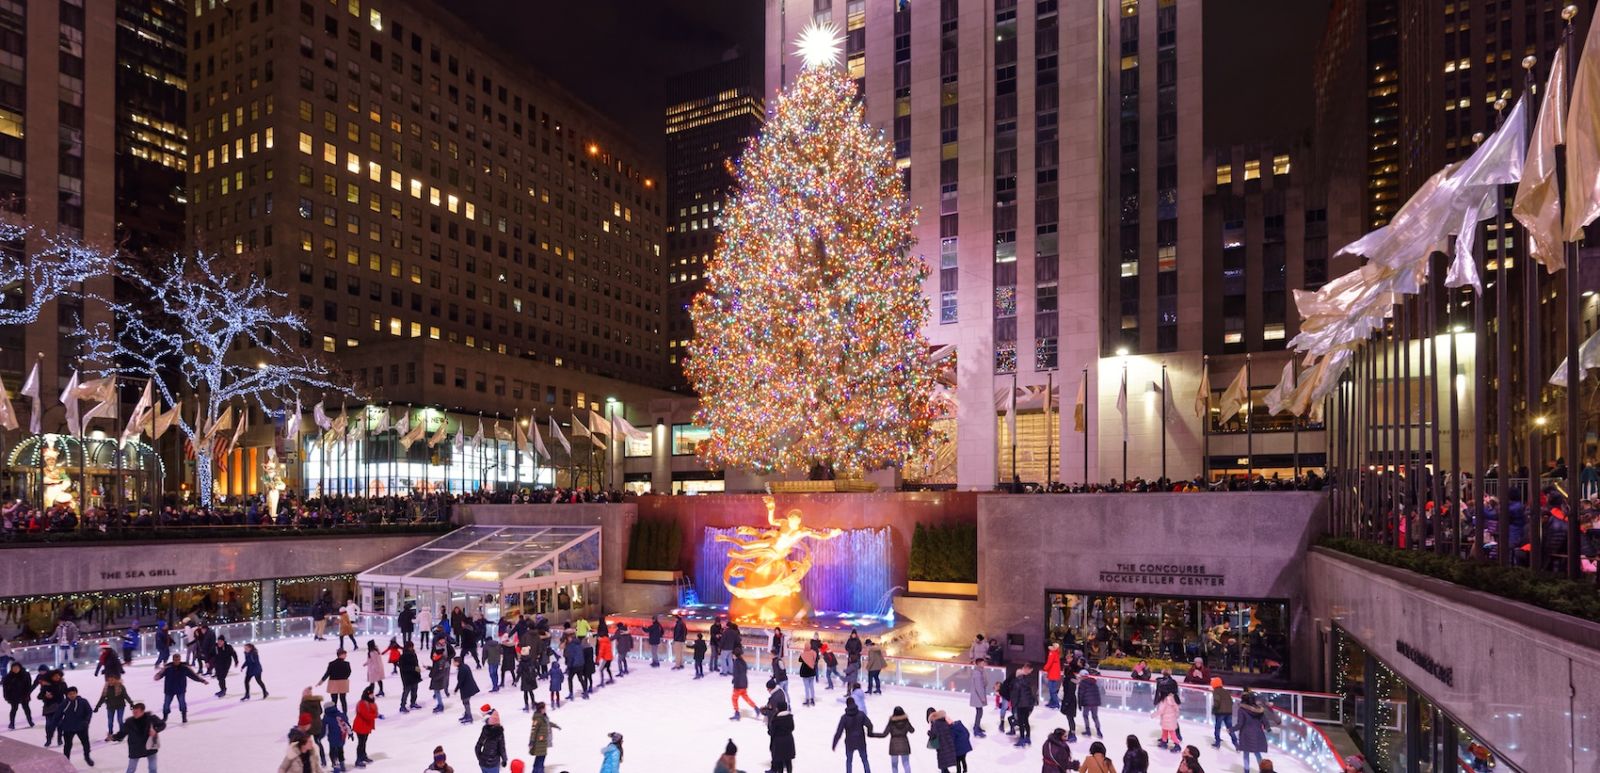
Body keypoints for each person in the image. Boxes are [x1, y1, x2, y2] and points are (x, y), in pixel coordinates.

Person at [111, 702, 164, 773]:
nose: (134, 714)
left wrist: (155, 730)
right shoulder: (129, 722)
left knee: (153, 768)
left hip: (150, 746)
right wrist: (113, 737)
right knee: (131, 769)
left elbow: (162, 724)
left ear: (142, 711)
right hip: (135, 749)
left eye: (136, 712)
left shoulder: (151, 718)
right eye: (133, 712)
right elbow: (122, 733)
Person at [154, 654, 207, 723]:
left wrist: (202, 681)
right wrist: (157, 677)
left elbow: (193, 675)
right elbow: (160, 674)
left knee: (182, 703)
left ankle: (184, 716)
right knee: (166, 704)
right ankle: (165, 717)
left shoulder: (184, 667)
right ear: (173, 660)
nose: (177, 661)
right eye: (175, 660)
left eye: (178, 660)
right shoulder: (168, 667)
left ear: (180, 659)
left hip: (180, 689)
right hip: (169, 689)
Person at [762, 678, 796, 773]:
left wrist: (765, 711)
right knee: (787, 760)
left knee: (776, 753)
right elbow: (792, 727)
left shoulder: (776, 718)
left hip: (778, 739)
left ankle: (774, 769)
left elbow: (773, 729)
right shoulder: (789, 716)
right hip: (788, 740)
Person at [831, 697, 873, 773]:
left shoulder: (844, 717)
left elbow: (839, 732)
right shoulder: (861, 714)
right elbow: (870, 724)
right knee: (865, 760)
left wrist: (834, 744)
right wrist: (870, 733)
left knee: (849, 761)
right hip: (861, 741)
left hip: (850, 742)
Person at [1234, 690, 1272, 773]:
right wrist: (1267, 727)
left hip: (1246, 734)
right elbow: (1264, 720)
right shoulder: (1259, 710)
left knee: (1246, 754)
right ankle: (1263, 770)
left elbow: (1240, 724)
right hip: (1258, 734)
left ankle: (1246, 771)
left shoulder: (1241, 709)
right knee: (1257, 753)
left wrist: (1231, 729)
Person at [58, 685, 95, 766]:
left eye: (73, 693)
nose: (72, 695)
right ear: (67, 695)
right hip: (68, 728)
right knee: (67, 745)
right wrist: (60, 724)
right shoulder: (64, 703)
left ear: (76, 693)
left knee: (85, 743)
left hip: (81, 727)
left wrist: (86, 721)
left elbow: (89, 712)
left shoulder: (83, 701)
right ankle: (66, 760)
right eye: (70, 694)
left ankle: (87, 757)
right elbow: (58, 715)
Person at [870, 705, 914, 773]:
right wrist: (907, 723)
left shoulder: (891, 722)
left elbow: (884, 734)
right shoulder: (906, 721)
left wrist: (872, 734)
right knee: (906, 763)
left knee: (894, 765)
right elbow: (912, 730)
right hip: (905, 744)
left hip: (894, 746)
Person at [96, 672, 131, 741]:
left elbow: (125, 695)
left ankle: (121, 734)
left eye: (112, 680)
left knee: (120, 720)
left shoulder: (120, 686)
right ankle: (110, 734)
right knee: (110, 721)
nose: (111, 681)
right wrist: (97, 706)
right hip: (110, 706)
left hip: (120, 705)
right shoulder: (106, 687)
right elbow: (102, 697)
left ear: (115, 679)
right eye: (109, 680)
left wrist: (131, 703)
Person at [1011, 662, 1039, 747]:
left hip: (1021, 704)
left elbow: (1016, 694)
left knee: (1020, 722)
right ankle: (1028, 738)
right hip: (1028, 704)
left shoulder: (1018, 681)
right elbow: (1032, 693)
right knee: (1026, 721)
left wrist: (1014, 704)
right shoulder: (1029, 680)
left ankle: (1022, 739)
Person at [299, 690, 329, 766]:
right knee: (318, 742)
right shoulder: (316, 701)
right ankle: (323, 760)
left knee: (305, 743)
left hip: (308, 726)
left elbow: (302, 715)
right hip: (317, 725)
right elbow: (321, 711)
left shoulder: (304, 704)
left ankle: (307, 760)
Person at [352, 685, 379, 768]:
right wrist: (375, 715)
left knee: (364, 742)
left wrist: (375, 714)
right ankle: (358, 760)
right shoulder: (362, 703)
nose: (372, 696)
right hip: (360, 726)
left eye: (372, 694)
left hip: (366, 726)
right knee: (361, 743)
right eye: (370, 694)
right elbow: (366, 715)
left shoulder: (370, 702)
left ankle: (363, 756)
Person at [527, 702, 559, 773]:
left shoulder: (543, 717)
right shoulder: (538, 719)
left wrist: (556, 726)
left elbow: (548, 723)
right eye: (544, 708)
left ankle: (536, 771)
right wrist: (531, 741)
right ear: (541, 709)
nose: (545, 709)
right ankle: (538, 771)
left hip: (543, 742)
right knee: (540, 759)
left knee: (540, 758)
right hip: (539, 743)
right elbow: (533, 730)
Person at [474, 708, 508, 773]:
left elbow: (478, 746)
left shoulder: (485, 730)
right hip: (494, 764)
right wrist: (504, 760)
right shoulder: (499, 733)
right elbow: (502, 748)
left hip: (483, 764)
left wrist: (480, 758)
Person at [322, 702, 352, 773]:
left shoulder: (326, 718)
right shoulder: (341, 715)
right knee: (340, 751)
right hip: (341, 737)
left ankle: (335, 765)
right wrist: (350, 733)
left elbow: (325, 730)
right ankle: (342, 765)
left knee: (332, 751)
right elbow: (347, 725)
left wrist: (320, 737)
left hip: (332, 738)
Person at [729, 649, 759, 720]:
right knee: (746, 697)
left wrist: (734, 681)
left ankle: (737, 713)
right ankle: (756, 708)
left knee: (734, 698)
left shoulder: (736, 662)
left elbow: (736, 674)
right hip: (744, 683)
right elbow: (744, 672)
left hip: (738, 684)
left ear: (734, 655)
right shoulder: (743, 661)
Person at [926, 708, 958, 773]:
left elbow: (934, 735)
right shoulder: (943, 719)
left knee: (942, 763)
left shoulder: (935, 723)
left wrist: (929, 733)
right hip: (948, 743)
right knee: (944, 764)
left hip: (942, 745)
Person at [1209, 677, 1237, 749]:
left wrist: (1214, 710)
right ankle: (1236, 744)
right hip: (1229, 712)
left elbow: (1217, 702)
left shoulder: (1216, 691)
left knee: (1218, 727)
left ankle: (1217, 742)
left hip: (1220, 712)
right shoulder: (1225, 691)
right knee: (1230, 728)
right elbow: (1231, 701)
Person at [3, 660, 33, 729]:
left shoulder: (25, 675)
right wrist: (6, 697)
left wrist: (27, 694)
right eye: (14, 668)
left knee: (26, 709)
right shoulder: (8, 677)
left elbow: (28, 685)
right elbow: (5, 688)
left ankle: (30, 721)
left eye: (17, 668)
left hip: (24, 695)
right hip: (13, 696)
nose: (15, 669)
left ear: (20, 668)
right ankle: (12, 724)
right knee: (14, 709)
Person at [966, 658, 989, 737]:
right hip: (978, 696)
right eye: (982, 663)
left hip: (979, 695)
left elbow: (984, 682)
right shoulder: (977, 673)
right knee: (979, 712)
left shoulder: (981, 671)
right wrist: (982, 697)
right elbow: (978, 687)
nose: (984, 664)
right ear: (978, 664)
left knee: (979, 712)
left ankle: (977, 726)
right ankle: (976, 729)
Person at [454, 656, 480, 724]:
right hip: (468, 687)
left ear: (457, 662)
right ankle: (466, 714)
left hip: (467, 688)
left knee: (466, 702)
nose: (453, 663)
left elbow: (461, 681)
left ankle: (469, 717)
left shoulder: (462, 669)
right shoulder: (464, 666)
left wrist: (456, 689)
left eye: (454, 662)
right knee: (465, 702)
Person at [398, 642, 423, 712]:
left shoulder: (413, 654)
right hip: (407, 677)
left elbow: (416, 663)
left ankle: (413, 703)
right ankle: (402, 706)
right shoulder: (403, 656)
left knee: (414, 691)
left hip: (415, 676)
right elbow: (403, 667)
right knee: (406, 692)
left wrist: (418, 670)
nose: (411, 648)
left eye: (412, 647)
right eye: (410, 647)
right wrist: (413, 668)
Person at [1043, 643, 1064, 709]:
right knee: (1053, 689)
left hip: (1052, 674)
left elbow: (1049, 662)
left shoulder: (1052, 653)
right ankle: (1052, 702)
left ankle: (1056, 703)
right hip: (1055, 674)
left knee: (1052, 690)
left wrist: (1045, 668)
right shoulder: (1057, 653)